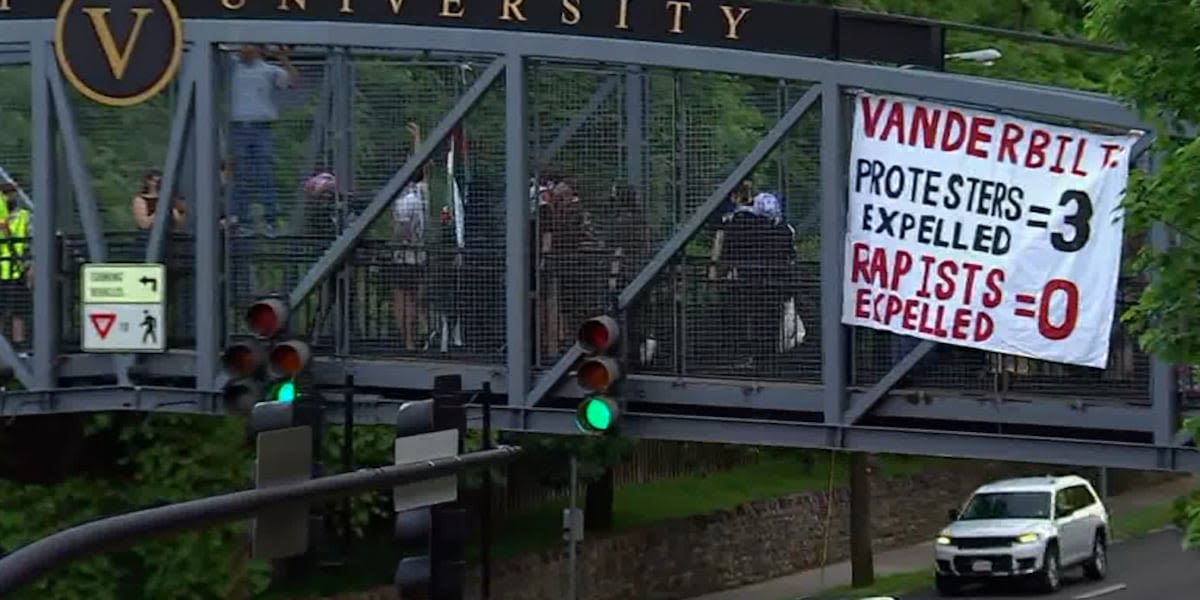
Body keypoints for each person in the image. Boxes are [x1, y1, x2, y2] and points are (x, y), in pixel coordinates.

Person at [229, 44, 298, 238]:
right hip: (239, 127)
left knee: (265, 174)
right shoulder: (233, 65)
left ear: (257, 49)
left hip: (262, 128)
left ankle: (270, 220)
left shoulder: (269, 70)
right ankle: (244, 222)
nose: (242, 49)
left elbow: (292, 82)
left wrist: (283, 57)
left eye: (247, 46)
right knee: (241, 176)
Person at [390, 122, 431, 352]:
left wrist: (392, 241)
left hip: (404, 256)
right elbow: (422, 168)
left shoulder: (406, 200)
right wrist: (418, 139)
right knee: (413, 298)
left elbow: (402, 228)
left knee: (402, 299)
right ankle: (414, 337)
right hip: (420, 254)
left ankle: (406, 341)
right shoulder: (422, 194)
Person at [0, 185, 30, 344]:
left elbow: (30, 242)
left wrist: (29, 263)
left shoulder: (24, 216)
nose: (9, 198)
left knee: (18, 311)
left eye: (12, 195)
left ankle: (20, 347)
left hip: (16, 269)